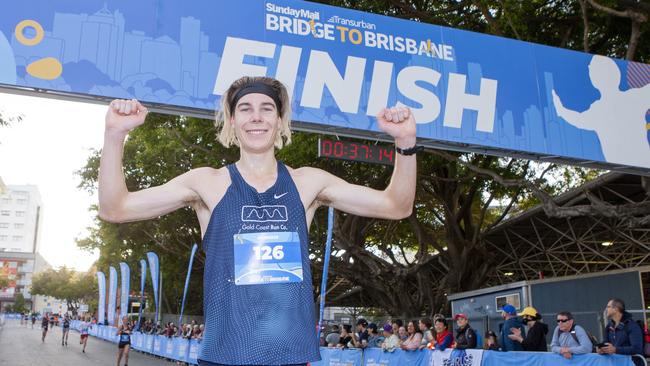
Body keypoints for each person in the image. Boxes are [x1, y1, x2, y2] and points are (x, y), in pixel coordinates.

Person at [99, 76, 417, 365]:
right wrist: (115, 134)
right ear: (233, 120)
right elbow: (116, 209)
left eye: (267, 109)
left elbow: (396, 206)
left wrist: (405, 141)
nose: (256, 117)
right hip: (223, 355)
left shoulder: (308, 183)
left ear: (279, 121)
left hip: (291, 356)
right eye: (245, 108)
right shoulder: (206, 183)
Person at [597, 298, 644, 366]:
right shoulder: (609, 326)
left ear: (615, 309)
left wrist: (615, 350)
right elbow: (606, 344)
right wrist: (602, 350)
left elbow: (637, 348)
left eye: (608, 307)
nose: (606, 309)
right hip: (615, 362)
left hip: (633, 362)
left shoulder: (632, 325)